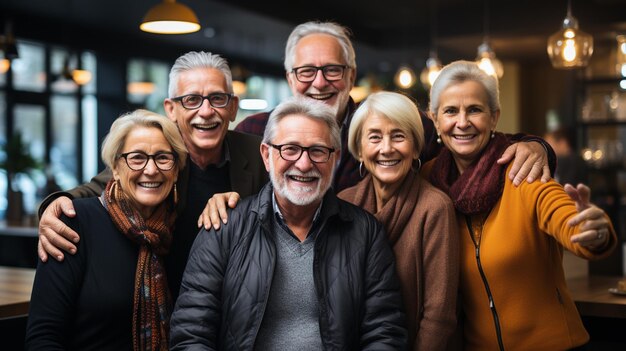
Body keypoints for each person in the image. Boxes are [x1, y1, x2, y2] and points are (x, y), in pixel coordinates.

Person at [169, 97, 407, 350]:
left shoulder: (365, 233)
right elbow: (191, 333)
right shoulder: (224, 228)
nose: (304, 164)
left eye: (317, 150)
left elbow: (385, 332)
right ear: (266, 155)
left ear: (335, 159)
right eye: (290, 149)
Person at [36, 51, 268, 298]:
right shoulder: (159, 152)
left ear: (232, 108)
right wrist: (53, 206)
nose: (206, 110)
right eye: (191, 100)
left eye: (217, 98)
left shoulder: (260, 153)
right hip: (164, 302)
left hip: (238, 304)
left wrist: (241, 206)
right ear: (171, 109)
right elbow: (97, 188)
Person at [423, 60, 617, 350]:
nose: (462, 122)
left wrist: (593, 230)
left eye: (474, 109)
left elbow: (566, 219)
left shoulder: (523, 170)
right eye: (451, 111)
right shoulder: (427, 180)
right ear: (435, 119)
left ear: (494, 117)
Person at [234, 20, 554, 193]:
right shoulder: (252, 132)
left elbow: (466, 143)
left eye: (332, 69)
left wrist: (534, 146)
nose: (320, 83)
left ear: (351, 75)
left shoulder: (392, 124)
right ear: (290, 78)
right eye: (307, 71)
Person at [26, 109, 187, 350]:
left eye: (162, 157)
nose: (151, 169)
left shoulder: (178, 230)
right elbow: (43, 338)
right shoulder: (75, 222)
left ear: (175, 170)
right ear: (115, 168)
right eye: (137, 157)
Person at [336, 91, 459, 350]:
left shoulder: (434, 208)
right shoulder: (343, 204)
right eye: (375, 137)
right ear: (359, 149)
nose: (387, 148)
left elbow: (439, 317)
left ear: (416, 147)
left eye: (399, 136)